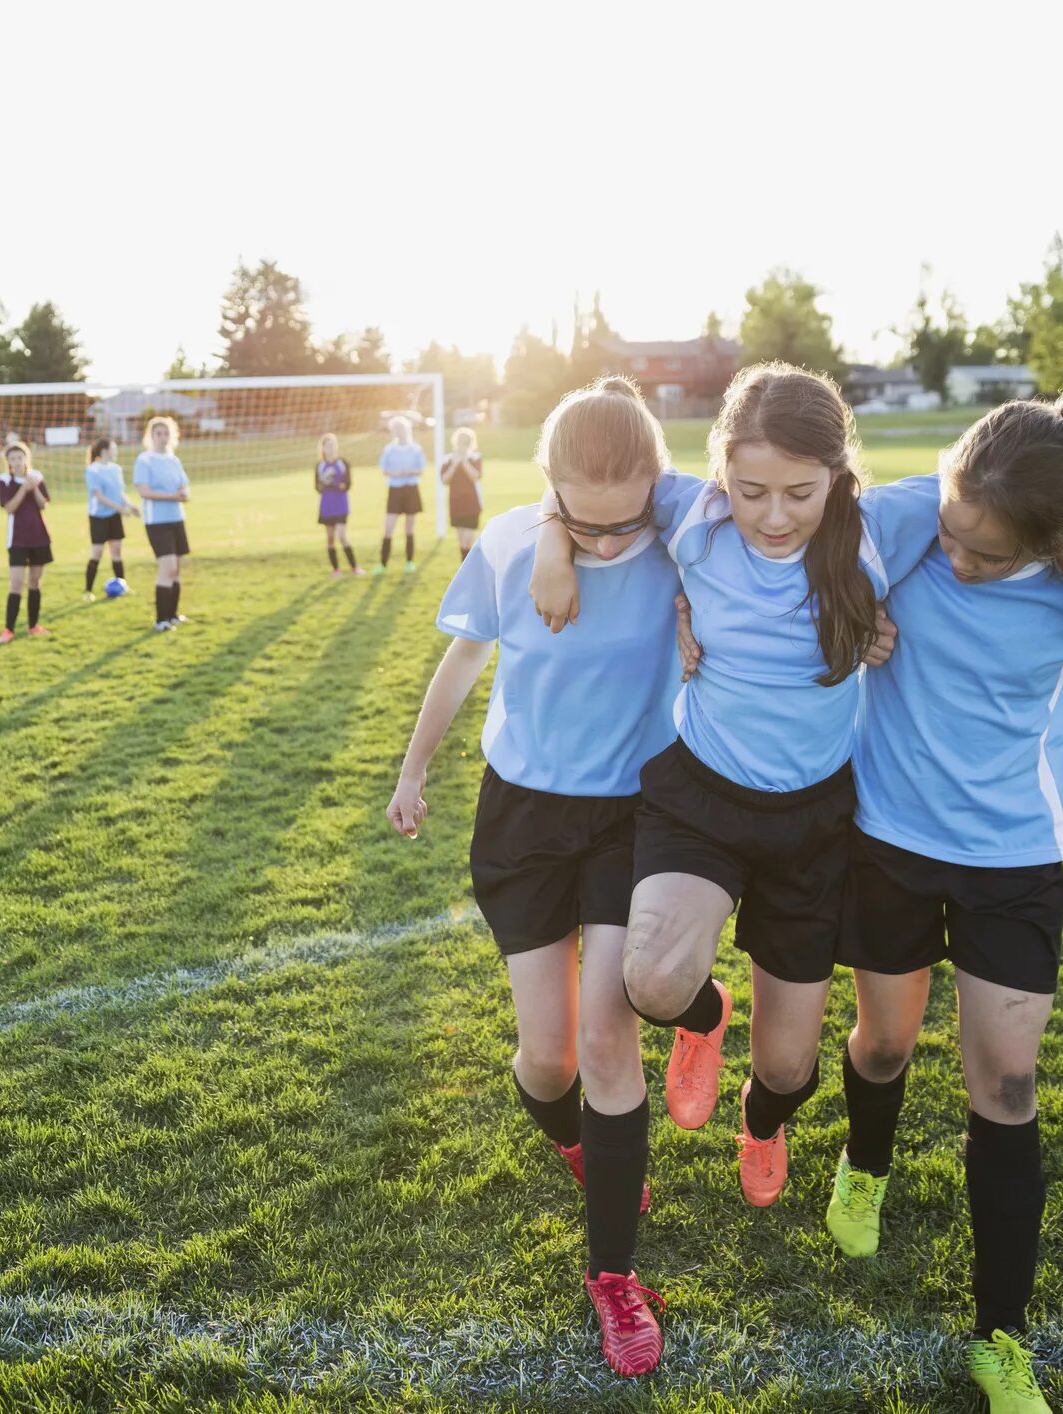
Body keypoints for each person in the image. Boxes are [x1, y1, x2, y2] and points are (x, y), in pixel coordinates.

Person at [527, 364, 1063, 1213]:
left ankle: (763, 1118)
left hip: (819, 818)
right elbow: (587, 498)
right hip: (701, 793)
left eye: (798, 491)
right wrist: (550, 551)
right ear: (719, 473)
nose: (772, 515)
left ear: (839, 475)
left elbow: (1018, 483)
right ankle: (704, 1018)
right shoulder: (691, 513)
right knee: (654, 982)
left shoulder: (884, 522)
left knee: (788, 1070)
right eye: (749, 490)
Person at [822, 391, 1063, 1414]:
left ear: (1049, 537)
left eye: (983, 552)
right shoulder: (916, 521)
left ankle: (1001, 1341)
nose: (957, 557)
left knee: (1008, 1084)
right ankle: (864, 1167)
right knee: (883, 1045)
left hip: (1014, 860)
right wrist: (860, 612)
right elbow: (798, 554)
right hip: (886, 838)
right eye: (952, 533)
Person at [388, 377, 681, 1377]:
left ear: (660, 480)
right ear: (548, 486)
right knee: (548, 1063)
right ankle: (594, 1139)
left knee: (607, 1043)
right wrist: (414, 768)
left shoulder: (684, 530)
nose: (605, 544)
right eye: (581, 522)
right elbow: (464, 661)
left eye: (623, 521)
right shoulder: (513, 541)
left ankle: (613, 1277)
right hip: (520, 816)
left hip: (631, 816)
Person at [132, 416, 191, 630]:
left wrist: (184, 494)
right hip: (157, 522)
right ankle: (161, 620)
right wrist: (172, 496)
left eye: (166, 433)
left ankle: (173, 615)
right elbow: (144, 491)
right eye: (158, 433)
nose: (163, 438)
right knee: (167, 568)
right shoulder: (144, 460)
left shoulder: (174, 460)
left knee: (177, 570)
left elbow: (185, 486)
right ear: (151, 436)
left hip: (177, 519)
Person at [0, 439, 52, 643]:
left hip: (39, 537)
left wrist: (33, 486)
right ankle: (9, 629)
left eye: (20, 457)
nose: (17, 461)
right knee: (16, 583)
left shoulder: (36, 477)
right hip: (17, 540)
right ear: (8, 462)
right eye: (13, 459)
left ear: (26, 458)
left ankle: (33, 625)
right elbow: (9, 508)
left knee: (35, 582)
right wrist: (23, 488)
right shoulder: (5, 480)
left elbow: (42, 504)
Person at [82, 437, 140, 600]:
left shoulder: (116, 469)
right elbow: (99, 496)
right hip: (98, 517)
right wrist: (120, 509)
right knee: (97, 553)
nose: (116, 451)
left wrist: (130, 506)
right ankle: (88, 591)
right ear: (105, 451)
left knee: (116, 552)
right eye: (114, 448)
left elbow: (119, 493)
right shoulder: (92, 470)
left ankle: (123, 586)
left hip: (115, 515)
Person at [375, 415, 427, 574]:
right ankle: (382, 564)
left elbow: (421, 469)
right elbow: (384, 470)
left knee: (409, 528)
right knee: (388, 528)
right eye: (396, 429)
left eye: (402, 429)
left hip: (411, 489)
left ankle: (410, 562)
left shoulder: (416, 449)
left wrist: (410, 471)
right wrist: (395, 473)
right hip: (395, 490)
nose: (400, 432)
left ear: (407, 430)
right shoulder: (389, 449)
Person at [314, 433, 362, 576]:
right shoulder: (320, 466)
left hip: (340, 504)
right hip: (327, 505)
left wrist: (341, 486)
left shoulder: (343, 463)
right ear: (323, 448)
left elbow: (348, 484)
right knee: (330, 538)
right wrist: (324, 485)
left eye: (333, 445)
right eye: (328, 445)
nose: (331, 448)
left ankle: (354, 567)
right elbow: (317, 486)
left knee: (342, 535)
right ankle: (336, 570)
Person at [439, 426, 484, 558]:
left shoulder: (475, 458)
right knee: (461, 540)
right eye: (460, 441)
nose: (462, 444)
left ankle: (468, 568)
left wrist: (464, 461)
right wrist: (454, 464)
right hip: (456, 503)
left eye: (466, 442)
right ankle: (464, 569)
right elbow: (444, 480)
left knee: (468, 540)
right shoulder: (448, 459)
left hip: (471, 503)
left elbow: (475, 476)